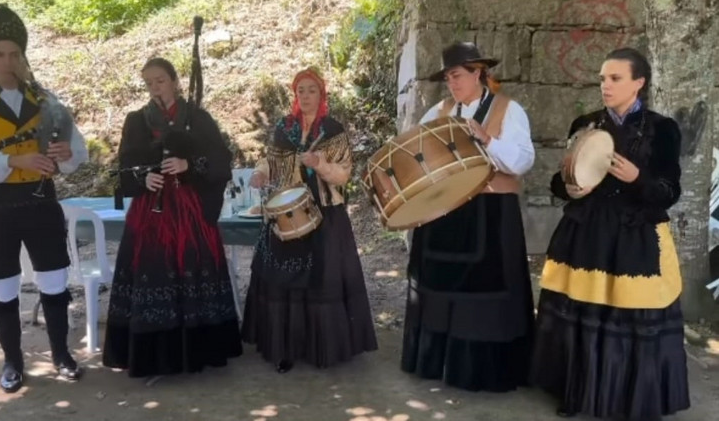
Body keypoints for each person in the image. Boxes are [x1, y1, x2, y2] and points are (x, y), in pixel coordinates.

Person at [532, 47, 690, 420]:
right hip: (585, 235)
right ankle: (576, 392)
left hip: (634, 238)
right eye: (603, 78)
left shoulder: (663, 129)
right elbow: (562, 180)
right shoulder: (584, 124)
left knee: (628, 315)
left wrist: (638, 179)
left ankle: (632, 399)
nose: (606, 85)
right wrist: (567, 188)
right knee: (580, 313)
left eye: (615, 78)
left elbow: (670, 192)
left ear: (639, 82)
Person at [0, 4, 89, 392]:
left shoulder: (45, 99)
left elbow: (76, 147)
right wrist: (15, 158)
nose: (6, 61)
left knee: (53, 282)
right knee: (3, 288)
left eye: (14, 54)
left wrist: (67, 154)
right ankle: (12, 362)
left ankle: (61, 355)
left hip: (41, 201)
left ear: (23, 56)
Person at [400, 42, 536, 392]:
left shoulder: (509, 110)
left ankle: (481, 371)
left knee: (485, 289)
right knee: (439, 283)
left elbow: (522, 161)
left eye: (457, 76)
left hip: (490, 214)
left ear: (478, 73)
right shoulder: (439, 111)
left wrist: (488, 139)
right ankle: (436, 361)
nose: (452, 84)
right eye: (448, 78)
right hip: (445, 213)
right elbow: (417, 153)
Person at [102, 58, 242, 378]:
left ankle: (199, 351)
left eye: (160, 81)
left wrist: (188, 166)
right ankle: (157, 358)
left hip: (190, 210)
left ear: (175, 82)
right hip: (151, 214)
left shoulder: (198, 118)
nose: (155, 88)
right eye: (149, 83)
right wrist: (142, 180)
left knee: (193, 269)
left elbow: (221, 161)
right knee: (154, 271)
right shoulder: (136, 120)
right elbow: (125, 165)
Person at [242, 67, 377, 373]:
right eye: (300, 91)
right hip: (287, 212)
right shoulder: (283, 127)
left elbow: (344, 173)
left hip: (326, 214)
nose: (305, 96)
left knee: (321, 280)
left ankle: (324, 348)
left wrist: (321, 163)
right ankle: (286, 348)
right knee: (286, 282)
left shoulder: (332, 130)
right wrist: (261, 172)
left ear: (322, 94)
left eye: (311, 90)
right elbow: (270, 160)